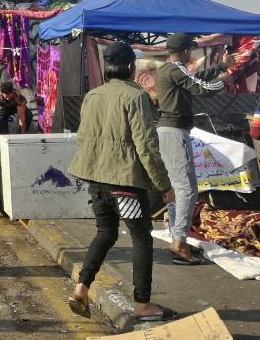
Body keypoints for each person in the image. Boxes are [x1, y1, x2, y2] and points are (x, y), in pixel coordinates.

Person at [66, 42, 175, 322]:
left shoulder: (92, 96)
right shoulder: (135, 97)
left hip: (96, 180)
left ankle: (81, 287)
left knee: (106, 232)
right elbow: (147, 146)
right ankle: (142, 304)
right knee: (141, 238)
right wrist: (163, 184)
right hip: (124, 183)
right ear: (130, 68)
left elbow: (84, 137)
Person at [155, 33, 233, 265]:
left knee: (176, 188)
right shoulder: (176, 69)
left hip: (168, 131)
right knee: (187, 189)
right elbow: (202, 88)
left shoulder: (168, 70)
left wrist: (221, 66)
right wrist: (224, 80)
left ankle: (176, 236)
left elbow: (195, 79)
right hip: (174, 132)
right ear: (187, 51)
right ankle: (179, 241)